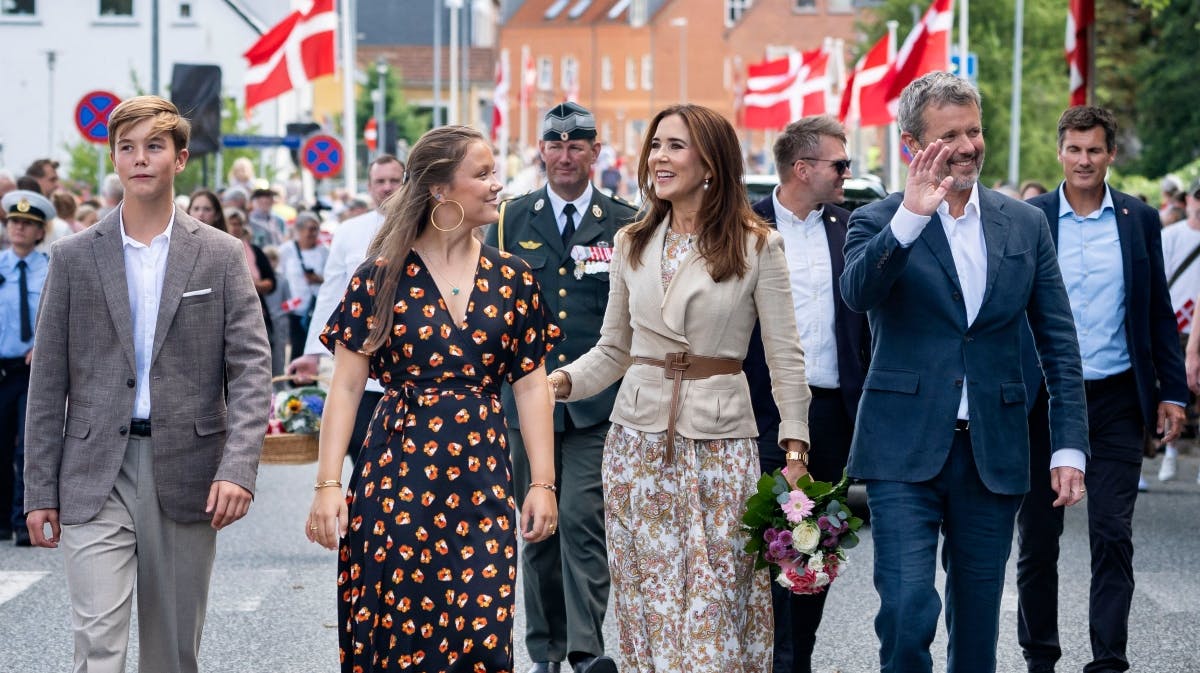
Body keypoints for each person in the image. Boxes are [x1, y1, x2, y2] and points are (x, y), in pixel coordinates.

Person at [547, 103, 811, 673]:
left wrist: (795, 447)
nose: (659, 158)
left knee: (716, 606)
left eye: (675, 146)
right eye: (656, 145)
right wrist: (557, 384)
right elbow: (614, 350)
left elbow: (785, 356)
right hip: (637, 448)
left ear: (711, 162)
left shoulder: (756, 244)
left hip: (720, 447)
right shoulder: (631, 242)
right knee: (651, 602)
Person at [840, 72, 1089, 673]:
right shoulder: (878, 221)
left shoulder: (1024, 224)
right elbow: (856, 294)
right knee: (905, 610)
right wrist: (910, 219)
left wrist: (1069, 448)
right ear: (911, 144)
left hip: (993, 450)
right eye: (950, 135)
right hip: (903, 448)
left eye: (974, 130)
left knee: (977, 626)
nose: (969, 145)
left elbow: (1058, 341)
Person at [22, 95, 272, 673]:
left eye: (153, 147)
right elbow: (48, 382)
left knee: (172, 654)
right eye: (127, 148)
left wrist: (237, 468)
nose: (139, 159)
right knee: (98, 646)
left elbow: (253, 368)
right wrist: (38, 491)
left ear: (179, 159)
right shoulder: (74, 257)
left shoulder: (219, 254)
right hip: (92, 471)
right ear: (113, 159)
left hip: (186, 467)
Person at [305, 125, 560, 673]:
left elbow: (532, 384)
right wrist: (328, 486)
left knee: (482, 628)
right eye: (484, 173)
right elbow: (347, 386)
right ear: (441, 189)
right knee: (397, 630)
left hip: (484, 475)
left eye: (495, 172)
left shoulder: (512, 277)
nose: (498, 185)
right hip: (397, 473)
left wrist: (542, 482)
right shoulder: (380, 277)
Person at [1016, 105, 1187, 673]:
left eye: (1094, 149)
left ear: (1110, 154)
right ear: (1059, 152)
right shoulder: (1032, 217)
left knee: (1112, 532)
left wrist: (1171, 392)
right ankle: (1041, 655)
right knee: (1039, 539)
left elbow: (1158, 313)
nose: (1083, 160)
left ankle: (1108, 659)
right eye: (1074, 149)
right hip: (1044, 399)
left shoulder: (1137, 220)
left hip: (1115, 398)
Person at [485, 102, 637, 673]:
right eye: (555, 144)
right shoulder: (508, 220)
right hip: (525, 404)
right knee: (537, 528)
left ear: (595, 152)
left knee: (579, 518)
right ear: (541, 150)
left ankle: (583, 651)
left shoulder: (624, 222)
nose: (565, 155)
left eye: (577, 146)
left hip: (594, 403)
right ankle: (545, 651)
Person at [742, 114, 869, 673]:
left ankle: (799, 661)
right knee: (762, 544)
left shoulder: (850, 228)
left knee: (816, 547)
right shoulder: (743, 226)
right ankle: (768, 659)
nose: (847, 173)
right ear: (802, 168)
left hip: (832, 414)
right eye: (839, 164)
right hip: (759, 410)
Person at [286, 154, 405, 464]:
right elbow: (331, 294)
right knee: (361, 450)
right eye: (380, 181)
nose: (387, 188)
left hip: (411, 366)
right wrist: (313, 352)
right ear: (369, 186)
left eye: (394, 180)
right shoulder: (349, 231)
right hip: (362, 366)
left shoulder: (425, 229)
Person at [0, 190, 53, 547]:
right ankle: (3, 518)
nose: (19, 228)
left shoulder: (50, 268)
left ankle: (22, 519)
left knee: (27, 447)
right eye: (15, 222)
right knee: (1, 445)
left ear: (39, 232)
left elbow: (58, 317)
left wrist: (43, 344)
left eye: (28, 224)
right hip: (1, 369)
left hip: (31, 368)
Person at [1156, 177, 1200, 483]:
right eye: (1197, 198)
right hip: (1175, 327)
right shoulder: (1172, 235)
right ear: (1188, 201)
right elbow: (1160, 278)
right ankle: (1168, 455)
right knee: (1172, 392)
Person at [279, 211, 328, 361]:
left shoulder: (324, 251)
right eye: (310, 229)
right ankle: (294, 381)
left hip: (314, 307)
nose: (313, 233)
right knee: (296, 346)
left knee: (312, 348)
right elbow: (280, 275)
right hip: (293, 307)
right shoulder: (287, 250)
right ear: (299, 230)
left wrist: (317, 279)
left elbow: (331, 278)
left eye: (316, 229)